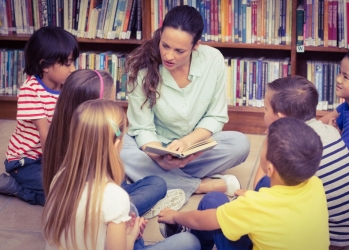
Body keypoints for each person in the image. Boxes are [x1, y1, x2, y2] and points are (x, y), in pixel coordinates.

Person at [121, 5, 250, 202]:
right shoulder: (142, 68)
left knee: (240, 144)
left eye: (179, 50)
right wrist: (160, 159)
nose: (169, 56)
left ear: (195, 46)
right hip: (155, 148)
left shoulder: (213, 59)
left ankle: (162, 179)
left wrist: (187, 143)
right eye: (165, 45)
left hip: (195, 147)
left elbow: (215, 116)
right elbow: (142, 128)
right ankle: (200, 185)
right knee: (120, 150)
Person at [43, 99, 200, 250]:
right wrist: (131, 236)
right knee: (189, 242)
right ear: (117, 144)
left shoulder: (60, 177)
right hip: (119, 229)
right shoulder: (114, 196)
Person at [158, 117, 330, 250]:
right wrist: (251, 196)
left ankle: (195, 241)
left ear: (269, 168)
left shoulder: (255, 206)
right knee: (263, 184)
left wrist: (174, 216)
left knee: (212, 202)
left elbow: (200, 219)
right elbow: (283, 207)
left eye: (264, 146)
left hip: (250, 211)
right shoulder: (316, 184)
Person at [43, 69, 185, 219]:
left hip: (100, 196)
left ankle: (130, 209)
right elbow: (108, 183)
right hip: (99, 204)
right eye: (110, 103)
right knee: (155, 186)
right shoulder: (91, 143)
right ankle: (130, 211)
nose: (114, 107)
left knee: (155, 182)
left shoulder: (59, 130)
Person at [251, 76, 349, 249]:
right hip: (345, 233)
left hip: (327, 239)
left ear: (281, 118)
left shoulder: (290, 148)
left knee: (265, 185)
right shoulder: (331, 131)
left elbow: (261, 186)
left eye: (266, 109)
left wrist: (270, 141)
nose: (263, 114)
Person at [0, 26, 79, 205]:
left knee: (74, 187)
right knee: (62, 196)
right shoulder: (30, 91)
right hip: (25, 162)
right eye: (67, 63)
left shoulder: (66, 85)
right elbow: (46, 135)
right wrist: (60, 171)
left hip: (51, 155)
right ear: (44, 65)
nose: (73, 69)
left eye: (73, 62)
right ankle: (15, 187)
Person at [320, 51, 349, 150]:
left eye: (345, 77)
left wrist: (331, 135)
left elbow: (342, 157)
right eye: (339, 72)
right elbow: (317, 126)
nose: (338, 79)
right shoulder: (345, 106)